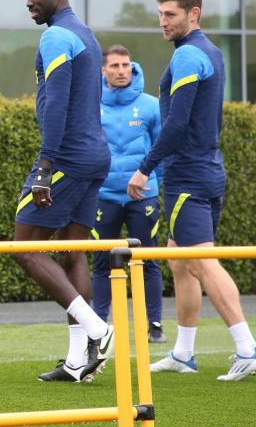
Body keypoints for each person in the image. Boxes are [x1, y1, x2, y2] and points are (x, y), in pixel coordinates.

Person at [127, 0, 256, 381]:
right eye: (160, 15)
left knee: (202, 262)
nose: (162, 22)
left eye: (170, 15)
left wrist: (144, 168)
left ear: (193, 14)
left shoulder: (189, 56)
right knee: (181, 263)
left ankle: (247, 347)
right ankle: (184, 353)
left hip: (189, 174)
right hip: (204, 171)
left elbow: (175, 125)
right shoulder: (211, 52)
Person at [11, 0, 113, 384]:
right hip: (94, 156)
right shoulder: (84, 33)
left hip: (66, 158)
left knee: (24, 248)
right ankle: (77, 363)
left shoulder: (57, 36)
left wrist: (44, 166)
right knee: (73, 252)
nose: (29, 4)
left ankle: (97, 329)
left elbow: (56, 104)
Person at [91, 45, 167, 344]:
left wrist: (156, 183)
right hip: (103, 196)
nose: (122, 71)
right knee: (101, 262)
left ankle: (155, 325)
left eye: (126, 66)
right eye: (115, 66)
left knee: (146, 260)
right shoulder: (90, 104)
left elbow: (162, 149)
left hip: (143, 198)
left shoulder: (151, 105)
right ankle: (98, 327)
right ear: (103, 70)